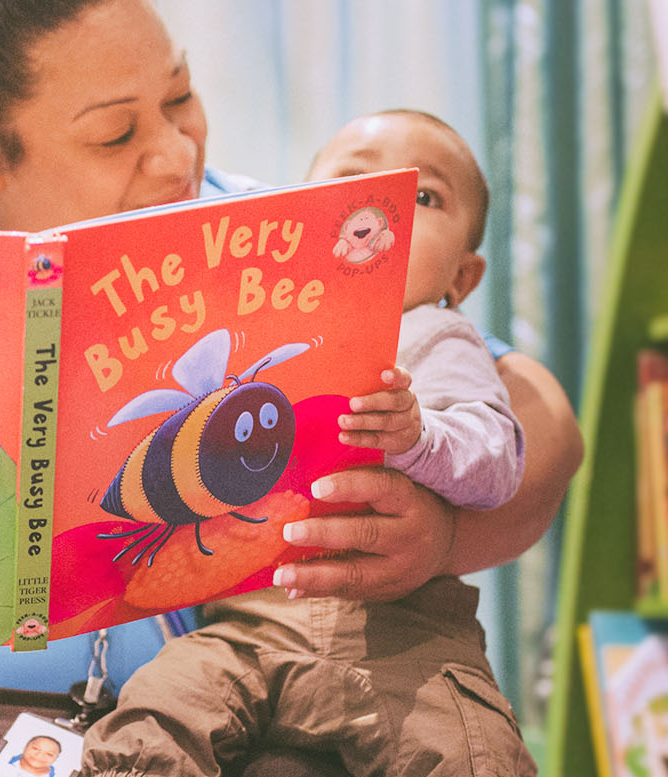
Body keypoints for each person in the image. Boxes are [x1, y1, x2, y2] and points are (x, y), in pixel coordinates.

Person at [0, 0, 584, 772]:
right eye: (116, 133)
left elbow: (533, 406)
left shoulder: (279, 237)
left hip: (223, 715)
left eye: (180, 96)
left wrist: (444, 534)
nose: (175, 153)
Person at [80, 109, 539, 777]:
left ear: (462, 279)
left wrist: (420, 436)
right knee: (156, 714)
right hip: (248, 629)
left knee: (477, 750)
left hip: (407, 639)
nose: (380, 211)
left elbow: (498, 461)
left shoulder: (440, 339)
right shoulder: (258, 328)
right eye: (351, 184)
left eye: (423, 196)